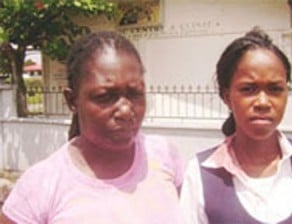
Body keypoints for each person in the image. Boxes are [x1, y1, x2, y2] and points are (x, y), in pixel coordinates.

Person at [1, 31, 185, 223]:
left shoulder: (164, 156)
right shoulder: (41, 186)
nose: (124, 110)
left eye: (135, 93)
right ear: (72, 100)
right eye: (105, 96)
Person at [180, 27, 292, 224]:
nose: (263, 102)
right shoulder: (201, 175)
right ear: (227, 97)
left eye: (275, 89)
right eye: (248, 89)